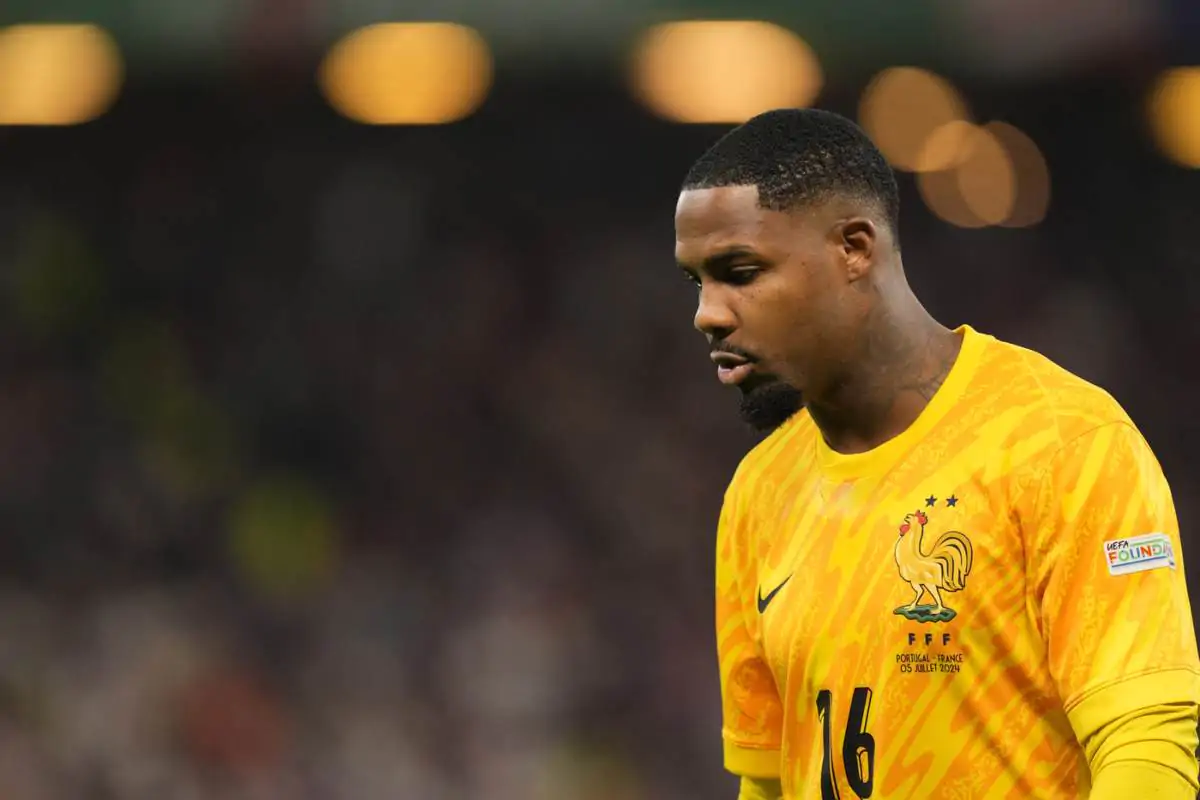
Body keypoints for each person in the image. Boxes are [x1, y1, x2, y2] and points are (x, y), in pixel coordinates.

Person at [673, 107, 1200, 799]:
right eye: (698, 282)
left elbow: (1147, 747)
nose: (707, 313)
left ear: (854, 249)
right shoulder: (760, 490)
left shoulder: (1062, 441)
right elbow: (770, 781)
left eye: (740, 272)